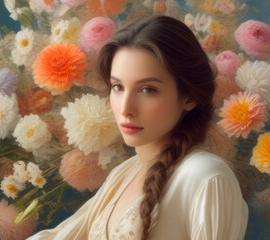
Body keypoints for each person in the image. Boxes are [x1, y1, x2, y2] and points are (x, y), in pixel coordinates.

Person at [27, 15, 248, 240]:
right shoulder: (124, 173)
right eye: (118, 86)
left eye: (147, 90)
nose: (126, 108)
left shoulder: (207, 178)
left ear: (189, 96)